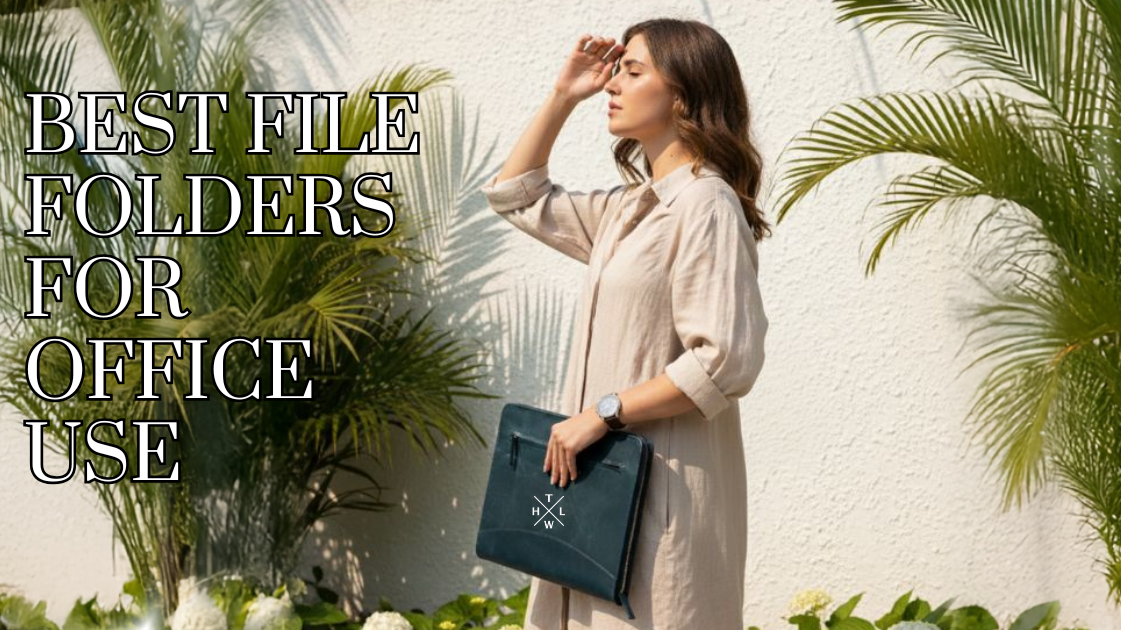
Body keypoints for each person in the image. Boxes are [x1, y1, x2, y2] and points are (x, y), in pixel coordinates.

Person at [480, 17, 771, 630]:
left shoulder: (705, 204)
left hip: (663, 495)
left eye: (633, 72)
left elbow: (724, 359)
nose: (613, 83)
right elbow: (515, 194)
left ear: (684, 94)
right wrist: (563, 96)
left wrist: (600, 413)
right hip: (597, 489)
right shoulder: (629, 206)